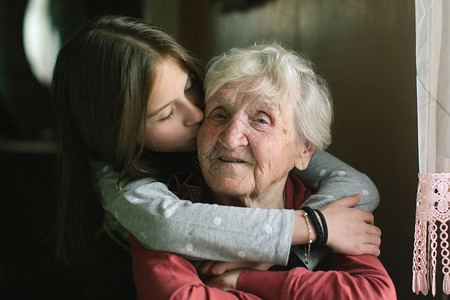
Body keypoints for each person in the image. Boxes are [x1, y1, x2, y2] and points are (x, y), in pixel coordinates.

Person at [52, 15, 380, 271]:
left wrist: (286, 253)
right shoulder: (119, 178)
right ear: (120, 134)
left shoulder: (228, 118)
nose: (198, 113)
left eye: (190, 86)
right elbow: (167, 225)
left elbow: (358, 188)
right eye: (166, 114)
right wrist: (313, 227)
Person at [131, 42, 396, 299]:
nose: (231, 138)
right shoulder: (171, 208)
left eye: (260, 120)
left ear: (303, 150)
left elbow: (375, 295)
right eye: (219, 114)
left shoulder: (327, 207)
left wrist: (244, 279)